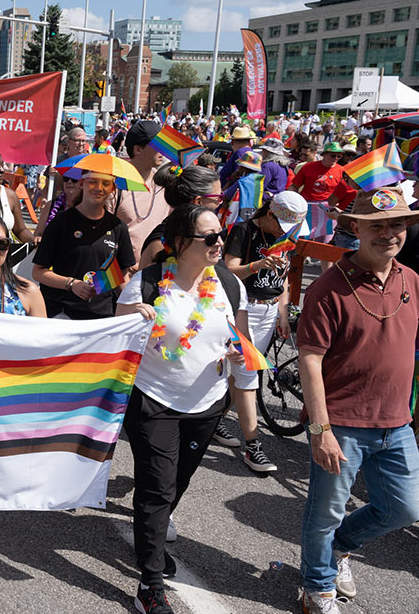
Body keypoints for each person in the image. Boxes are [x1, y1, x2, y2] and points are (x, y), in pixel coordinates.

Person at [115, 204, 253, 614]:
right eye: (209, 237)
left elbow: (240, 340)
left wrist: (238, 353)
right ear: (180, 243)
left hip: (208, 404)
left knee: (175, 484)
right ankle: (150, 584)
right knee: (156, 487)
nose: (219, 243)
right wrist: (132, 318)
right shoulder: (148, 284)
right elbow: (112, 338)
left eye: (221, 234)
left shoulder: (229, 285)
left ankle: (149, 542)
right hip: (154, 399)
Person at [295, 187, 419, 614]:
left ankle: (339, 549)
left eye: (396, 224)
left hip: (397, 422)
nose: (389, 234)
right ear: (356, 229)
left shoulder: (411, 279)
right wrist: (320, 429)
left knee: (405, 509)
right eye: (377, 226)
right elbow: (309, 358)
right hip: (343, 424)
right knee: (325, 513)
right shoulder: (329, 288)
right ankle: (317, 589)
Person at [214, 190, 308, 473]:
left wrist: (282, 311)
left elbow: (284, 278)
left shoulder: (285, 238)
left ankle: (215, 420)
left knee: (245, 374)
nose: (285, 233)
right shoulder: (243, 230)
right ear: (269, 214)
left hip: (269, 310)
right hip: (243, 307)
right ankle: (253, 446)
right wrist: (258, 265)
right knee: (247, 375)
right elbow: (227, 271)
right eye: (281, 226)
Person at [32, 172, 136, 319]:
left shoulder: (118, 227)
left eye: (106, 184)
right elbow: (38, 272)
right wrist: (71, 284)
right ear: (82, 183)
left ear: (112, 189)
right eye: (93, 182)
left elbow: (122, 275)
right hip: (63, 313)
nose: (99, 188)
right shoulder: (61, 223)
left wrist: (133, 305)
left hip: (102, 315)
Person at [139, 164, 224, 267]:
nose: (219, 242)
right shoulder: (161, 242)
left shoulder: (194, 232)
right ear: (199, 201)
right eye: (218, 197)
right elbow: (150, 280)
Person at [114, 121, 172, 256]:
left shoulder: (166, 183)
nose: (162, 150)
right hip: (123, 273)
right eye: (157, 145)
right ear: (138, 149)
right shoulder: (116, 186)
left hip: (158, 270)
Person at [34, 173, 83, 245]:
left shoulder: (87, 208)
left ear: (82, 184)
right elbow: (38, 233)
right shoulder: (51, 205)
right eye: (66, 179)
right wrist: (38, 238)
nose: (69, 182)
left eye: (74, 179)